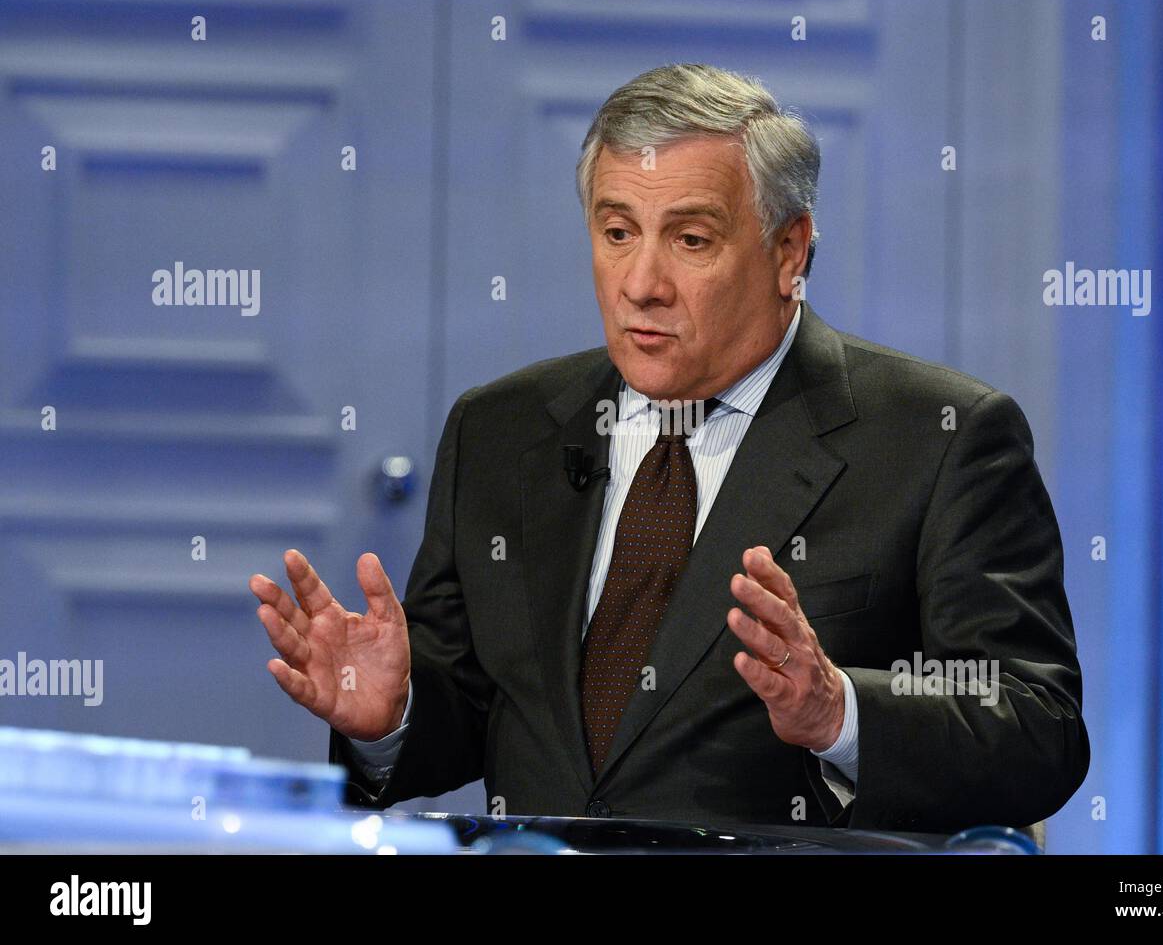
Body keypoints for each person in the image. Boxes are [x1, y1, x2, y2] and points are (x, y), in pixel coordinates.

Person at [249, 63, 1088, 833]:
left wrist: (841, 713)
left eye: (690, 240)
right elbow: (470, 712)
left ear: (788, 251)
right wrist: (390, 714)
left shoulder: (938, 438)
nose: (641, 282)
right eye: (618, 232)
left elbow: (1037, 727)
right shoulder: (501, 430)